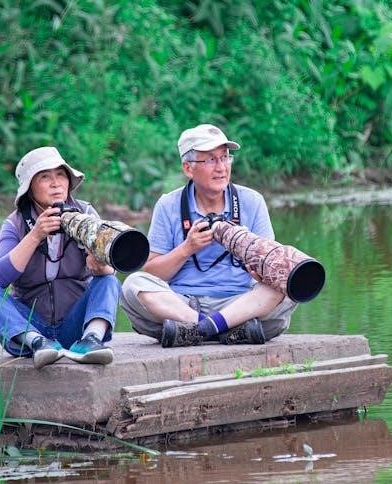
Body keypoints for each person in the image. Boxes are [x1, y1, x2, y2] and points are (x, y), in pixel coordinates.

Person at [121, 124, 297, 347]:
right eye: (211, 160)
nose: (221, 167)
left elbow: (273, 269)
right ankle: (222, 329)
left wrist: (257, 262)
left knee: (289, 281)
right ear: (188, 168)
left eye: (225, 158)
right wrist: (187, 248)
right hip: (183, 305)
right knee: (133, 285)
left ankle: (198, 331)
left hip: (240, 302)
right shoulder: (169, 204)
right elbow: (153, 272)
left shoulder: (251, 201)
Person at [0, 146, 120, 367]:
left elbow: (109, 269)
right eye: (45, 177)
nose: (56, 183)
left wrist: (101, 267)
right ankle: (39, 344)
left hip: (75, 325)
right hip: (30, 328)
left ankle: (91, 341)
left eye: (61, 175)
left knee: (109, 279)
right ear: (29, 189)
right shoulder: (15, 223)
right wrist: (35, 235)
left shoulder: (85, 214)